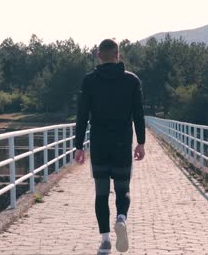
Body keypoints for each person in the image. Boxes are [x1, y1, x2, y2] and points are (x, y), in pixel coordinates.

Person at [74, 38, 146, 254]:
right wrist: (141, 142)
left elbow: (82, 116)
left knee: (101, 194)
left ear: (98, 56)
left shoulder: (89, 81)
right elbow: (138, 115)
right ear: (118, 55)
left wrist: (78, 146)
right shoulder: (132, 81)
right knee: (123, 189)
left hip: (99, 145)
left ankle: (105, 241)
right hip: (123, 144)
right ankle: (121, 219)